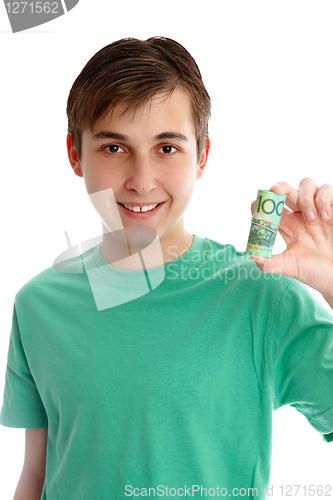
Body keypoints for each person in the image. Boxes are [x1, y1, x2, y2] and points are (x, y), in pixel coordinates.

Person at [0, 36, 332, 500]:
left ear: (203, 156)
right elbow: (36, 475)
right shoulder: (37, 306)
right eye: (114, 148)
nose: (141, 181)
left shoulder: (261, 297)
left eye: (167, 148)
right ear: (76, 154)